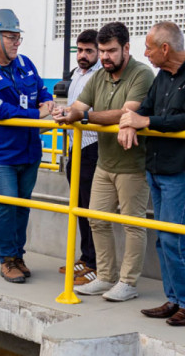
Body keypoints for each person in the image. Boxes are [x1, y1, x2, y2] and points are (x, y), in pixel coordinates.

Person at [119, 22, 185, 326]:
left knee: (174, 238)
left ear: (165, 48)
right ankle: (174, 299)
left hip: (181, 168)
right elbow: (145, 110)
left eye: (149, 47)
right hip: (156, 166)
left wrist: (143, 121)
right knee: (164, 240)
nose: (145, 53)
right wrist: (129, 122)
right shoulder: (162, 75)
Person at [53, 22, 153, 302]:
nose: (106, 57)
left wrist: (83, 117)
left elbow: (126, 113)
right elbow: (79, 108)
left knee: (133, 224)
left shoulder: (142, 74)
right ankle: (105, 277)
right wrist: (65, 113)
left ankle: (128, 282)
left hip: (133, 164)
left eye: (111, 51)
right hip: (104, 162)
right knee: (96, 219)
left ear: (126, 48)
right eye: (102, 51)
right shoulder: (98, 77)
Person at [0, 8, 54, 283]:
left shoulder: (25, 63)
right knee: (7, 203)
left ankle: (18, 255)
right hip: (1, 153)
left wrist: (47, 101)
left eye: (18, 38)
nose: (17, 42)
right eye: (12, 37)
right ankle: (6, 259)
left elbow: (41, 90)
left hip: (29, 150)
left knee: (23, 205)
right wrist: (38, 114)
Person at [60, 29, 101, 286]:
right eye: (80, 50)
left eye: (89, 51)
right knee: (78, 206)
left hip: (93, 147)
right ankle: (86, 258)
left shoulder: (100, 76)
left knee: (91, 208)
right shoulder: (77, 74)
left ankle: (95, 265)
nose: (83, 56)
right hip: (76, 147)